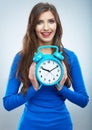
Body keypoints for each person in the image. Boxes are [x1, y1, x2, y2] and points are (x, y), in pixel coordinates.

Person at [3, 2, 89, 130]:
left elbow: (83, 101)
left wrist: (62, 88)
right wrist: (34, 87)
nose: (46, 27)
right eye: (39, 22)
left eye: (51, 21)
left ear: (57, 24)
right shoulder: (22, 57)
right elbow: (8, 104)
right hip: (30, 125)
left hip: (61, 125)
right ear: (33, 26)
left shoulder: (69, 57)